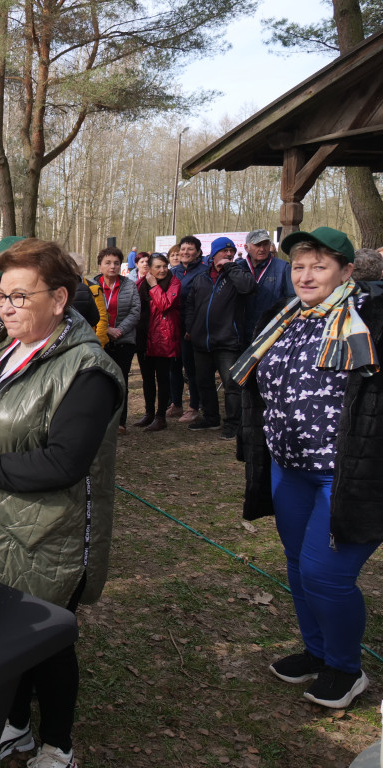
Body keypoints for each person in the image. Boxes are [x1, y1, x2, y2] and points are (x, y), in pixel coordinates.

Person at [0, 238, 123, 768]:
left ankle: (59, 744)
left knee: (46, 641)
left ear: (59, 299)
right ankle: (15, 725)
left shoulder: (87, 369)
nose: (3, 306)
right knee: (1, 634)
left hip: (47, 531)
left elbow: (64, 463)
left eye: (18, 294)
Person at [232, 226, 381, 709]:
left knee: (325, 574)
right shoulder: (284, 316)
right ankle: (318, 653)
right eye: (298, 265)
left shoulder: (372, 319)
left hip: (349, 473)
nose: (306, 274)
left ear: (346, 271)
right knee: (298, 567)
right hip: (288, 466)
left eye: (319, 265)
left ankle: (345, 668)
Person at [184, 236, 255, 438]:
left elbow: (248, 288)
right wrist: (191, 326)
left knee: (232, 385)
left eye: (231, 251)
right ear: (214, 254)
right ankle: (211, 418)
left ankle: (233, 424)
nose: (229, 254)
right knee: (203, 382)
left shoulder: (238, 273)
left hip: (227, 341)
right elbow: (190, 304)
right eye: (224, 251)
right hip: (201, 341)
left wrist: (231, 268)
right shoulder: (201, 278)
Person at [94, 246, 140, 433]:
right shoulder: (90, 285)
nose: (112, 266)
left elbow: (135, 311)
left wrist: (119, 330)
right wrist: (106, 330)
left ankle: (120, 422)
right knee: (99, 383)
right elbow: (88, 312)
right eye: (108, 263)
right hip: (98, 342)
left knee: (121, 382)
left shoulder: (129, 285)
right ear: (100, 266)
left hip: (123, 340)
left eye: (116, 263)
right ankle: (99, 421)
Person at [134, 254, 181, 432]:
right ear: (150, 269)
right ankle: (149, 413)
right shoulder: (139, 284)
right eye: (158, 267)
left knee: (162, 379)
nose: (162, 270)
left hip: (163, 339)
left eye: (165, 266)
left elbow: (165, 304)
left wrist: (154, 285)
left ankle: (161, 416)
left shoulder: (174, 283)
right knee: (147, 379)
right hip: (144, 338)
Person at [170, 236, 206, 422]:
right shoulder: (173, 271)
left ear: (198, 252)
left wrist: (192, 327)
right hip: (173, 327)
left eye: (190, 249)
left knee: (190, 368)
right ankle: (176, 403)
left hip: (192, 327)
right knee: (173, 365)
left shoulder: (204, 272)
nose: (185, 252)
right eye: (183, 249)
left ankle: (194, 406)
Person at [236, 229, 294, 345]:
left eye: (265, 244)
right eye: (257, 245)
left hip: (270, 332)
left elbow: (292, 299)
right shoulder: (238, 268)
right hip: (240, 333)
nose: (262, 249)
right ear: (247, 248)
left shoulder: (282, 268)